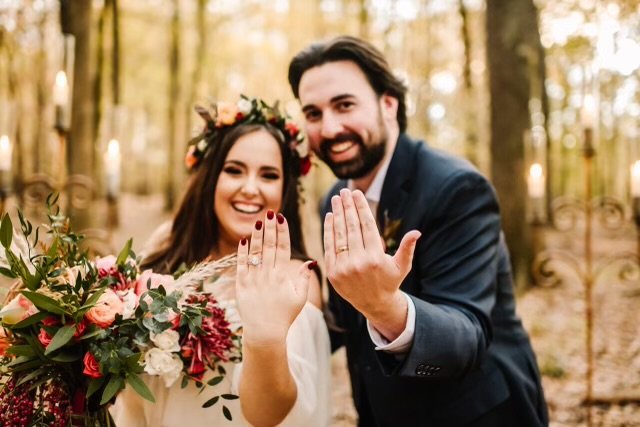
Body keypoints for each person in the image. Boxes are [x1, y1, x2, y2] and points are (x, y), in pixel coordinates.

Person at [288, 36, 548, 426]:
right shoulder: (334, 200)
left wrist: (385, 307)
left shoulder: (457, 188)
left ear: (388, 104)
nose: (329, 127)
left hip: (478, 414)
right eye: (313, 113)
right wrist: (277, 319)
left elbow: (467, 336)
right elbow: (348, 322)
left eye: (344, 105)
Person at [111, 96, 331, 427]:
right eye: (233, 170)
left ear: (285, 188)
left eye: (268, 175)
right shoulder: (166, 249)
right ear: (211, 178)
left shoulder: (295, 279)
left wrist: (264, 335)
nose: (250, 188)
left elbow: (272, 411)